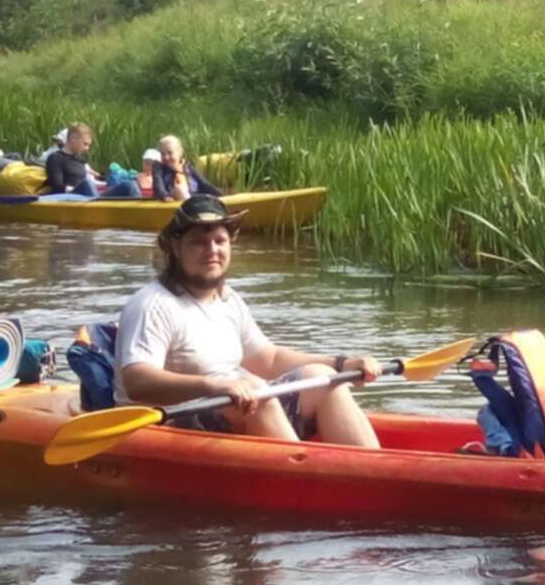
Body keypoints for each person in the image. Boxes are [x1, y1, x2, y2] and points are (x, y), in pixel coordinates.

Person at [114, 194, 382, 445]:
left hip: (228, 406)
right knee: (255, 392)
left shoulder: (228, 300)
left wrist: (342, 364)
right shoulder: (153, 304)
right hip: (165, 425)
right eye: (198, 242)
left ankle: (373, 474)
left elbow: (268, 359)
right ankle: (306, 481)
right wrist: (217, 385)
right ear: (175, 247)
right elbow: (138, 382)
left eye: (219, 241)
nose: (211, 250)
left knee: (324, 378)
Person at [152, 135, 220, 202]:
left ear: (179, 152)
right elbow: (158, 185)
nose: (166, 157)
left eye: (170, 153)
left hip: (193, 199)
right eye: (162, 154)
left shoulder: (188, 167)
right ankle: (194, 208)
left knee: (214, 192)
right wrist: (165, 195)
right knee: (179, 189)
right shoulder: (158, 168)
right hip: (169, 200)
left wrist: (221, 195)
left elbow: (204, 184)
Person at [45, 122, 99, 197]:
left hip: (86, 196)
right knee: (87, 184)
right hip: (69, 199)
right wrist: (80, 188)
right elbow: (57, 187)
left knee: (120, 185)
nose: (87, 148)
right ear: (73, 139)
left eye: (88, 145)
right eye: (85, 144)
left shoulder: (80, 159)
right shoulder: (55, 158)